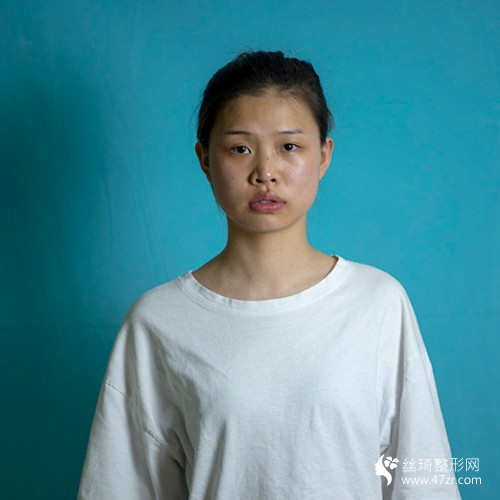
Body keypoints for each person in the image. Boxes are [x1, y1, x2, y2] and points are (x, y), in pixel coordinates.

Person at [78, 51, 461, 499]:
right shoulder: (158, 321)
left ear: (324, 155)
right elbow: (119, 486)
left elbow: (422, 478)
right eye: (240, 148)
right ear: (205, 159)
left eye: (289, 147)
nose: (265, 173)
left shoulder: (377, 302)